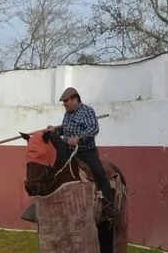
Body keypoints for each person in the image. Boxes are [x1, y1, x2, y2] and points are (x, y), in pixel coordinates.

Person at [46, 87, 118, 218]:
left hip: (85, 151)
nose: (64, 104)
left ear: (74, 99)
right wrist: (54, 130)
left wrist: (79, 137)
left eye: (65, 101)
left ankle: (109, 205)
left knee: (99, 173)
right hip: (69, 151)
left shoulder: (87, 111)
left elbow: (94, 128)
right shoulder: (67, 114)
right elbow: (65, 130)